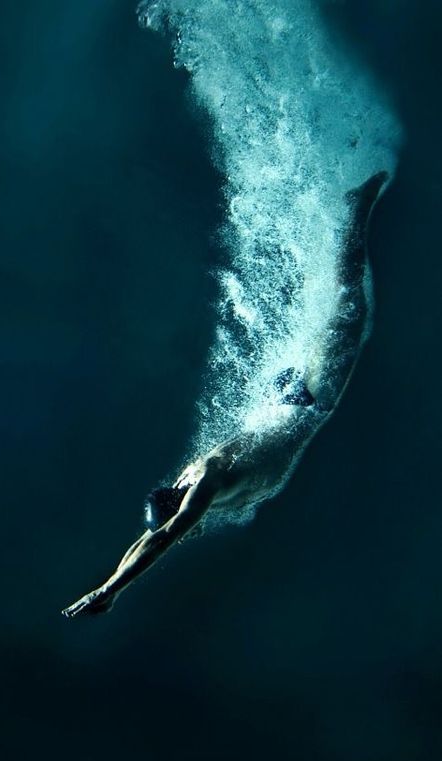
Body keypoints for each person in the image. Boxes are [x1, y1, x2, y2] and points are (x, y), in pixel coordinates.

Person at [62, 171, 387, 618]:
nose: (187, 529)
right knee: (335, 309)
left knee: (348, 306)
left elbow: (162, 538)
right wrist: (111, 581)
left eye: (183, 520)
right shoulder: (201, 489)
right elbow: (151, 536)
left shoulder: (207, 483)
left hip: (304, 401)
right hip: (285, 404)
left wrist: (112, 589)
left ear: (181, 503)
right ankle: (339, 222)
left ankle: (355, 209)